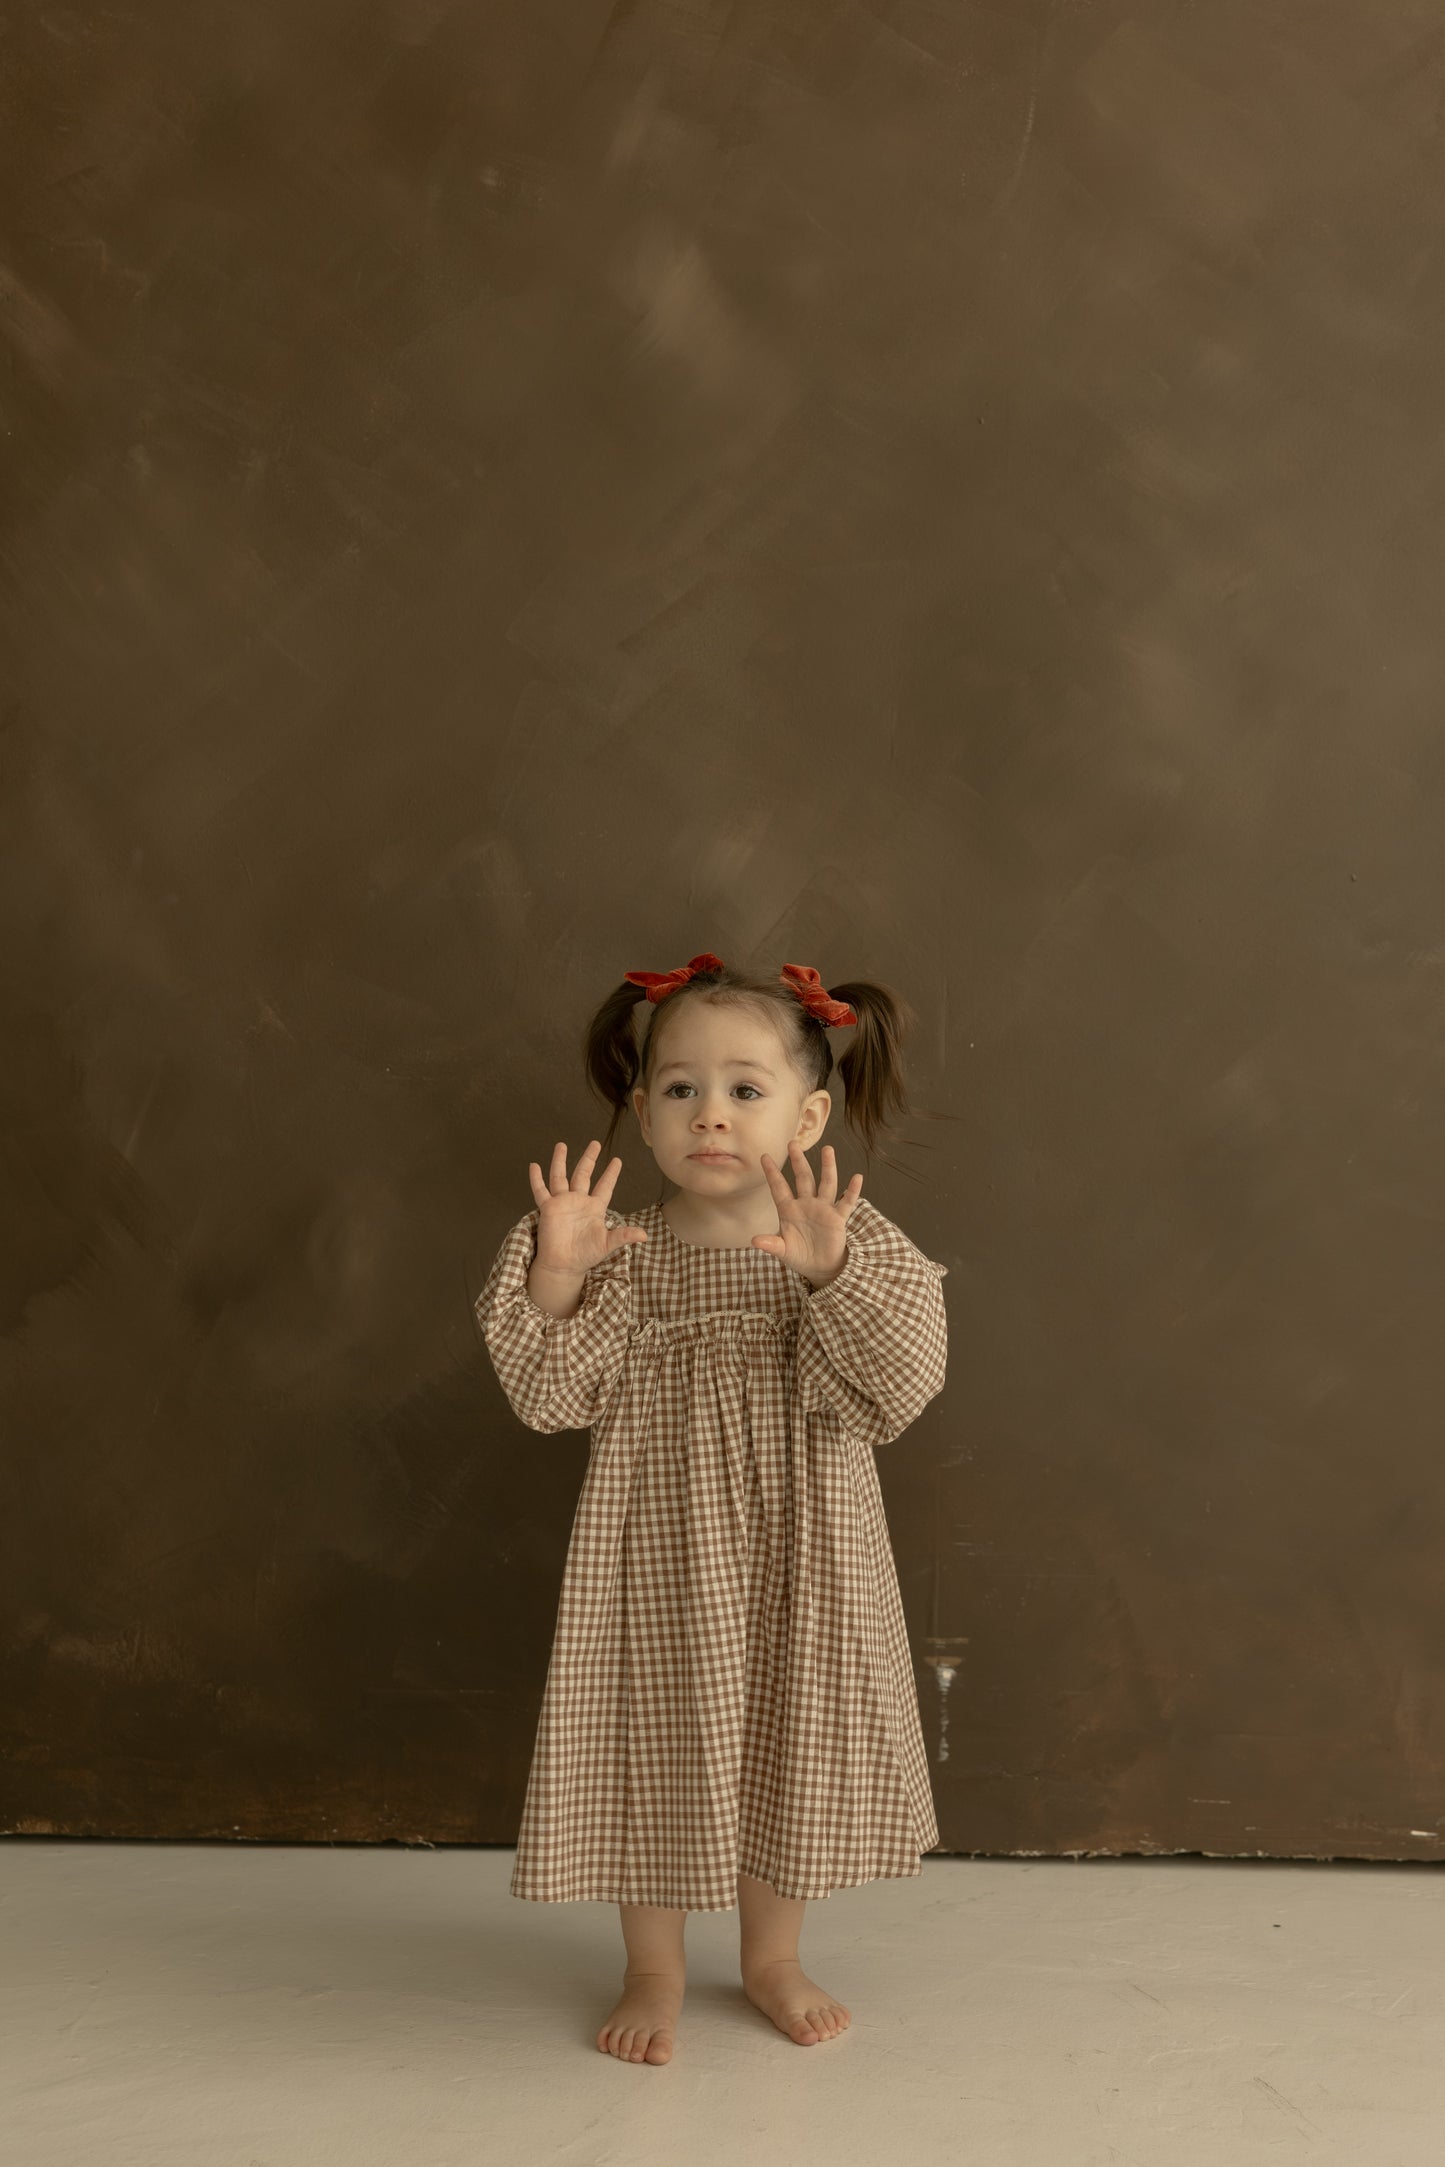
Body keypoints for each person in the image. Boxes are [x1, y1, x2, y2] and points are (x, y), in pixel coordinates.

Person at [474, 951, 950, 2065]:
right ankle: (652, 1963)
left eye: (745, 1088)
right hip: (655, 1553)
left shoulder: (840, 1242)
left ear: (808, 1112)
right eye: (678, 1088)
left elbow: (897, 1387)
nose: (710, 1115)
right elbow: (549, 1396)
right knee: (655, 1736)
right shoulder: (620, 1256)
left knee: (783, 1734)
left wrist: (832, 1276)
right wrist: (554, 1276)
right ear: (640, 1112)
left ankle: (772, 1956)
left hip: (805, 1546)